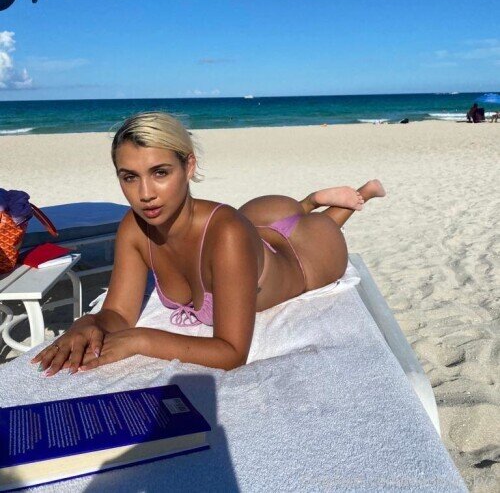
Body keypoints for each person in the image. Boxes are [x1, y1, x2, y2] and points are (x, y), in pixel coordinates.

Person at [32, 112, 386, 374]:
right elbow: (120, 314)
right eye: (129, 177)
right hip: (257, 220)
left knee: (323, 226)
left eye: (160, 173)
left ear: (189, 166)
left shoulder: (226, 234)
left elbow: (232, 352)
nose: (145, 194)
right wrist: (88, 323)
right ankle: (307, 202)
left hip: (302, 255)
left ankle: (352, 197)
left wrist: (142, 339)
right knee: (278, 220)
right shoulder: (135, 228)